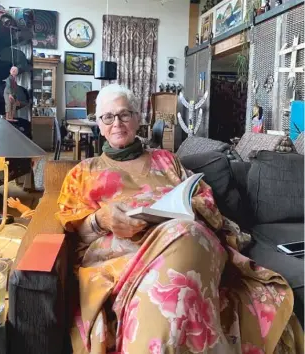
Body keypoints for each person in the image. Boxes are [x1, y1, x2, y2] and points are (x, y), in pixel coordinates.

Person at [56, 84, 303, 354]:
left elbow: (204, 202)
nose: (117, 123)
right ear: (99, 125)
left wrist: (168, 216)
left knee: (186, 232)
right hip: (123, 257)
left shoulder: (167, 160)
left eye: (125, 114)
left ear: (138, 119)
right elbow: (74, 229)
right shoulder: (83, 172)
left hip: (185, 240)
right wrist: (100, 220)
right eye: (108, 117)